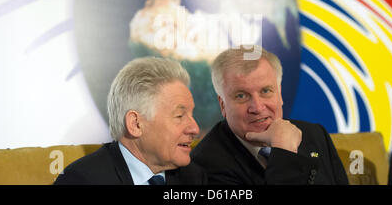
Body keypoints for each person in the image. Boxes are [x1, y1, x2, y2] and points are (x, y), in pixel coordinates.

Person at [191, 46, 348, 184]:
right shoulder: (204, 166)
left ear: (279, 94)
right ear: (223, 105)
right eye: (241, 96)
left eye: (265, 91)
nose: (257, 107)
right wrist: (284, 150)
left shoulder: (315, 135)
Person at [55, 57, 206, 185]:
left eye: (192, 115)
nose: (195, 129)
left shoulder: (193, 177)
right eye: (180, 116)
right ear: (135, 124)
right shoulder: (81, 180)